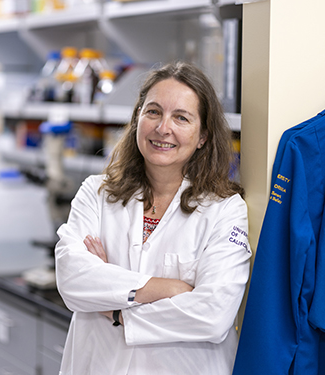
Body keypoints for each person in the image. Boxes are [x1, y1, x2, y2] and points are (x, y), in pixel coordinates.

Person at [55, 61, 252, 375]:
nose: (164, 128)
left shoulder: (224, 209)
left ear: (203, 135)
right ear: (137, 119)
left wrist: (117, 309)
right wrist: (170, 289)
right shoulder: (96, 193)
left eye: (181, 117)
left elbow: (213, 315)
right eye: (154, 112)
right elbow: (71, 278)